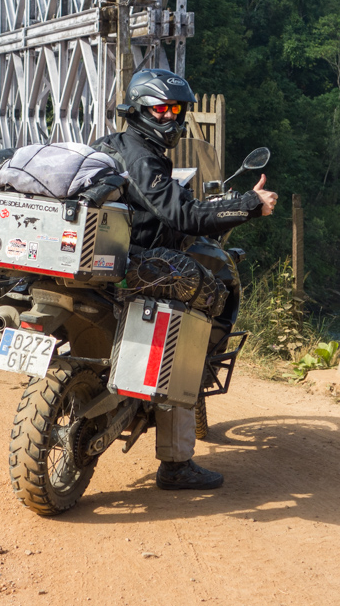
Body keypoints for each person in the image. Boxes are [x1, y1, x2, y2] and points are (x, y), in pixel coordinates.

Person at [91, 69, 277, 491]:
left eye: (177, 110)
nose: (171, 119)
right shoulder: (144, 155)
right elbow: (182, 216)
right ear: (139, 111)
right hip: (135, 266)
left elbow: (162, 201)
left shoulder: (113, 146)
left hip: (105, 263)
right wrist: (248, 204)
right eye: (162, 109)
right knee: (186, 336)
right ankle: (176, 464)